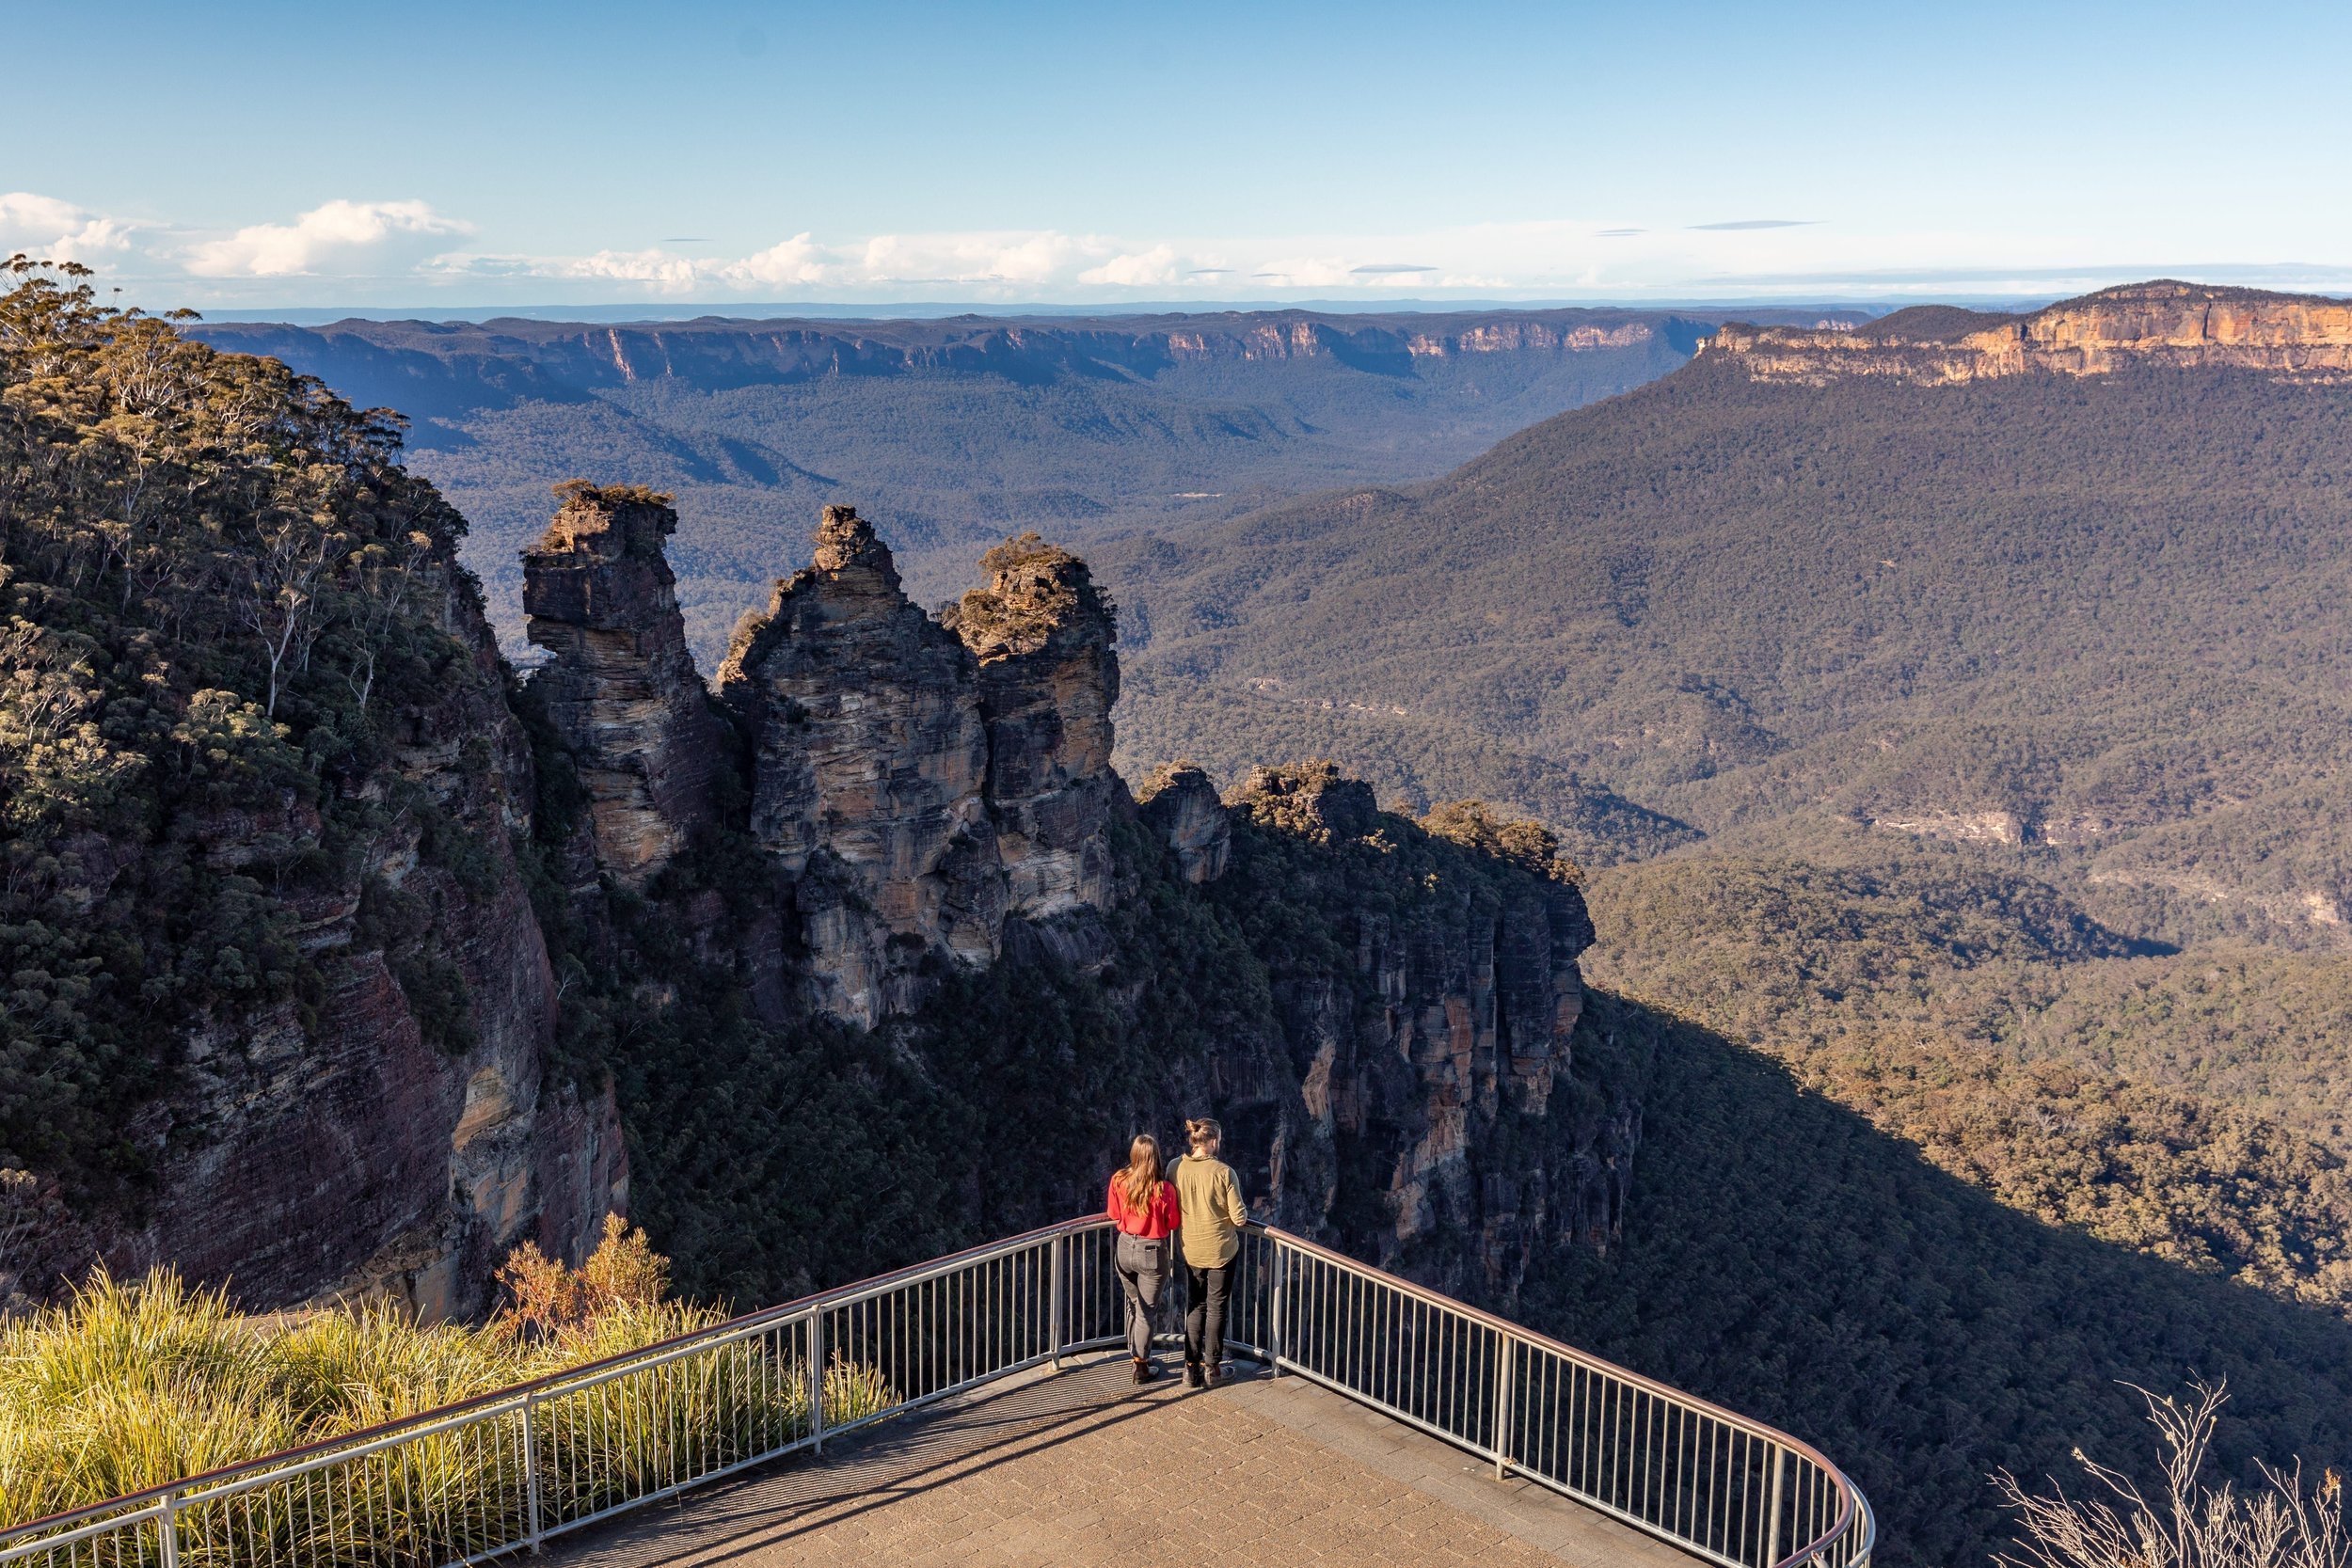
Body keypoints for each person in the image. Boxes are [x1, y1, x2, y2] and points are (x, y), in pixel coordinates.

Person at [1173, 1117, 1248, 1388]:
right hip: (1220, 1252)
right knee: (1217, 1308)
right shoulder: (1224, 1172)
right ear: (1214, 1141)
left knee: (1195, 1306)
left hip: (1190, 1250)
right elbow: (1239, 1218)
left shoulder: (1175, 1167)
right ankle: (1212, 1369)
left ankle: (1190, 1369)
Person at [1106, 1132, 1181, 1384]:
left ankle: (1134, 1354)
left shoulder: (1118, 1180)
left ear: (1134, 1155)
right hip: (1152, 1252)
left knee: (1133, 1302)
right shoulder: (1164, 1189)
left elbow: (1113, 1213)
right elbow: (1172, 1223)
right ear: (1155, 1157)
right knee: (1147, 1311)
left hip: (1125, 1247)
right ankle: (1141, 1366)